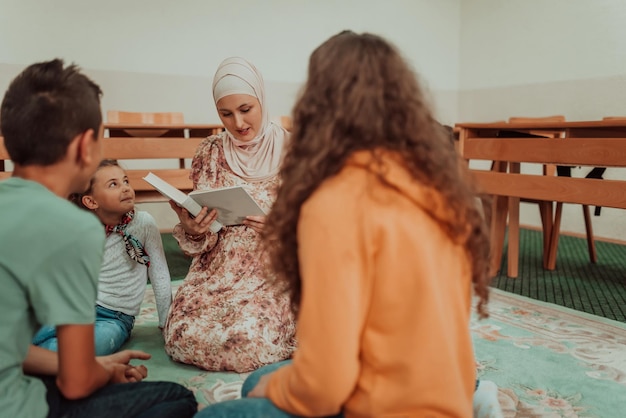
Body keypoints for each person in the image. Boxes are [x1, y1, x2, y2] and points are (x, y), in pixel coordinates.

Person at [195, 30, 498, 418]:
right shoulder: (439, 188)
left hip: (384, 406)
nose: (238, 121)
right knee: (258, 381)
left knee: (221, 410)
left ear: (319, 105)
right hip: (445, 392)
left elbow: (324, 388)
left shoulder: (335, 200)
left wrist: (279, 388)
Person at [0, 58, 197, 418]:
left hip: (28, 360)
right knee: (179, 399)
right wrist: (102, 369)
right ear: (85, 147)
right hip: (19, 405)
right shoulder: (74, 228)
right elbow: (76, 382)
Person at [162, 57, 296, 373]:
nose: (237, 122)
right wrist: (194, 228)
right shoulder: (210, 151)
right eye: (226, 114)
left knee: (246, 340)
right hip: (217, 269)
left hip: (274, 267)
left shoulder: (296, 150)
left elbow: (320, 227)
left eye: (246, 109)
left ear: (261, 100)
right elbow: (204, 234)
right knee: (183, 333)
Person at [32, 159, 173, 355]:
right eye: (113, 184)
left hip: (114, 319)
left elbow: (159, 274)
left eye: (125, 181)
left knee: (73, 352)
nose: (125, 188)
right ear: (91, 201)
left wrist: (166, 323)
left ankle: (33, 358)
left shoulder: (144, 223)